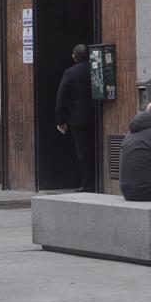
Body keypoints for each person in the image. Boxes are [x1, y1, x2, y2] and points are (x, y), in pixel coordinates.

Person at [56, 44, 97, 192]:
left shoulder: (70, 72)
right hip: (97, 116)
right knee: (95, 148)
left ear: (75, 56)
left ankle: (88, 183)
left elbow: (62, 97)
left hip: (78, 118)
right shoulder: (95, 69)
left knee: (83, 151)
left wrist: (60, 120)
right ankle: (99, 180)